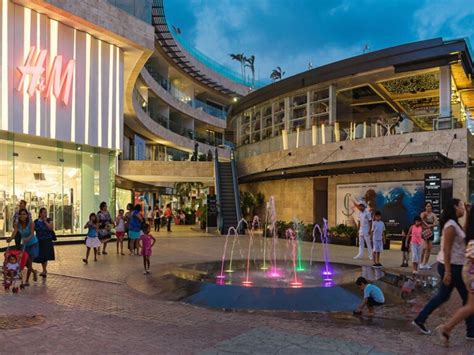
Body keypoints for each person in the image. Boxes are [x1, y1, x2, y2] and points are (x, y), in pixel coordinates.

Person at [413, 198, 474, 337]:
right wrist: (447, 271)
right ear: (454, 207)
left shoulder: (455, 224)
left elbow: (465, 235)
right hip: (452, 266)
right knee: (468, 299)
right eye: (461, 207)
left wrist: (469, 214)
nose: (463, 209)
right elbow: (446, 249)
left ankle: (420, 319)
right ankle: (470, 331)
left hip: (454, 265)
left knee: (444, 296)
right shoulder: (450, 226)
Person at [435, 207, 474, 346]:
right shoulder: (452, 226)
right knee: (470, 305)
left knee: (470, 305)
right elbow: (470, 255)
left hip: (468, 272)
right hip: (471, 274)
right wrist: (448, 271)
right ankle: (446, 328)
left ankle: (447, 329)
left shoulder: (467, 231)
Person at [7, 208, 38, 286]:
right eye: (20, 214)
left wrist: (27, 239)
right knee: (26, 263)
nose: (22, 216)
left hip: (33, 244)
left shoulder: (31, 223)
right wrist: (10, 238)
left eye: (24, 214)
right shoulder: (17, 223)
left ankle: (27, 280)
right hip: (24, 244)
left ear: (27, 215)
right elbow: (15, 232)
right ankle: (34, 272)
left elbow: (31, 233)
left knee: (29, 262)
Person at [33, 207, 55, 277]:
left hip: (47, 240)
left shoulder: (49, 220)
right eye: (44, 212)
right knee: (40, 255)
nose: (45, 214)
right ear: (40, 213)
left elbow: (50, 228)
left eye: (46, 212)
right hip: (39, 240)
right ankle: (43, 269)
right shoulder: (36, 221)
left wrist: (45, 221)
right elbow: (32, 229)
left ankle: (44, 270)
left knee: (45, 256)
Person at [420, 202, 438, 270]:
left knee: (429, 249)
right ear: (425, 207)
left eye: (429, 206)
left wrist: (431, 225)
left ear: (431, 207)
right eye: (427, 206)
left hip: (431, 233)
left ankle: (426, 263)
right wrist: (425, 224)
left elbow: (436, 223)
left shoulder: (433, 215)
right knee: (424, 248)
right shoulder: (423, 213)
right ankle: (421, 263)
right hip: (424, 233)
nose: (428, 207)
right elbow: (420, 221)